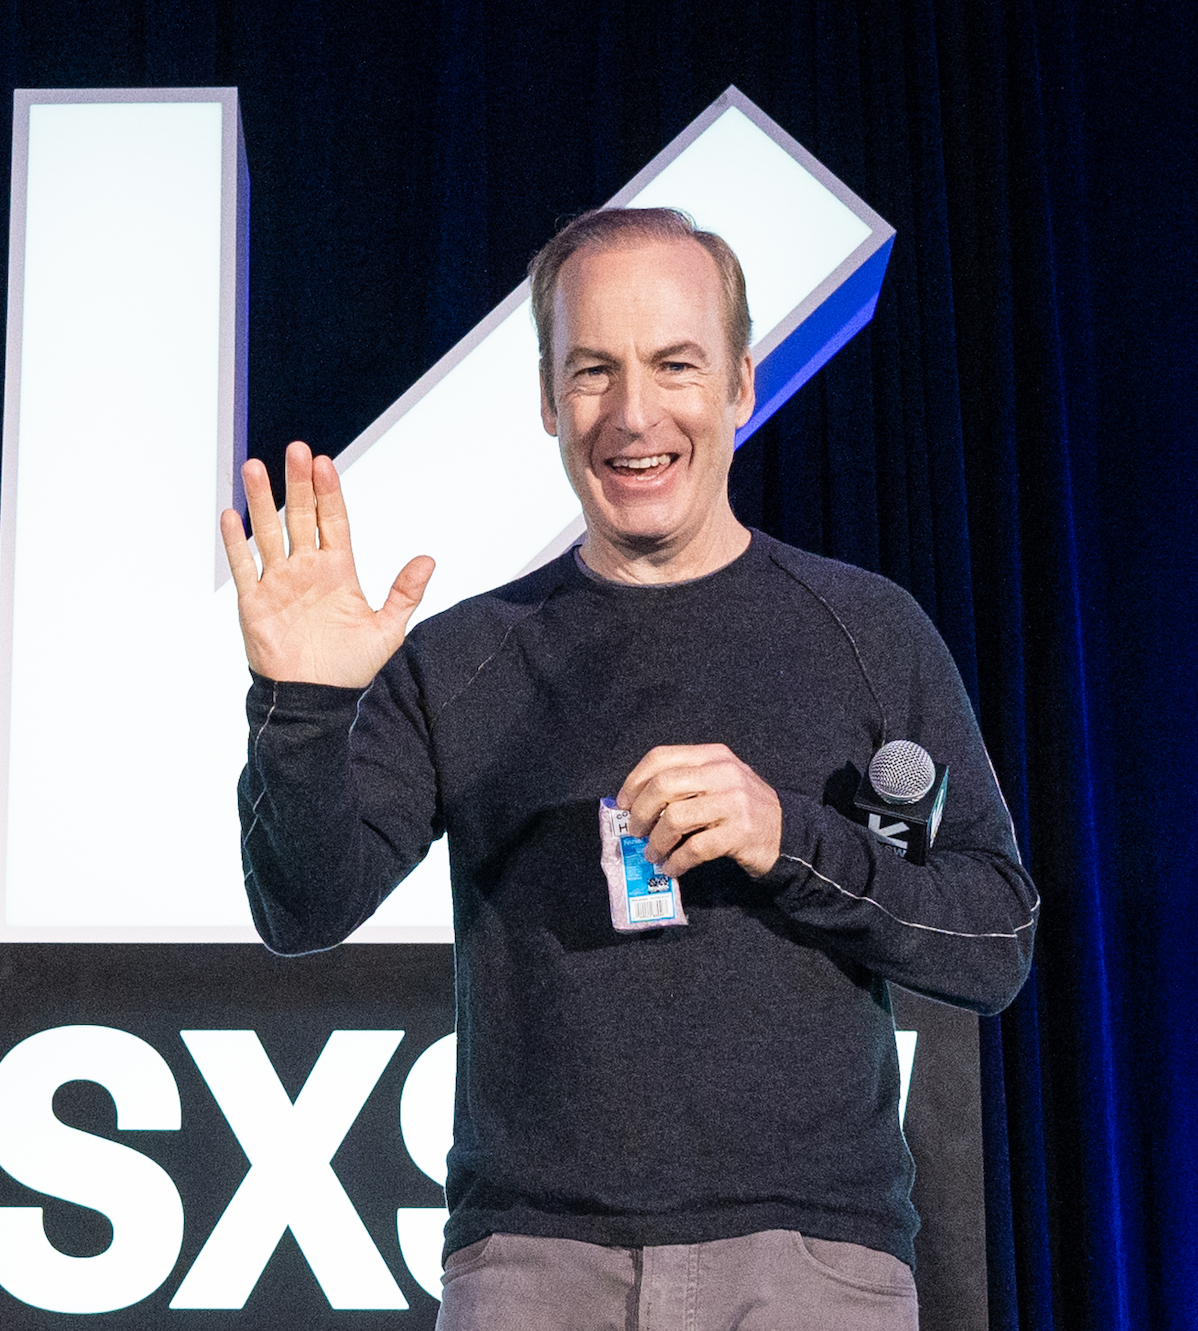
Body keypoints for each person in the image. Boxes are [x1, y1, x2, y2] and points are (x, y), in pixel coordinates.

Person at [220, 208, 1038, 1331]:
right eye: (593, 370)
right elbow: (300, 905)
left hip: (808, 1264)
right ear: (549, 402)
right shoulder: (464, 656)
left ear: (740, 385)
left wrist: (786, 836)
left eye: (675, 364)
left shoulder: (866, 631)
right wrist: (305, 707)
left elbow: (992, 939)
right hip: (532, 1267)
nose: (633, 413)